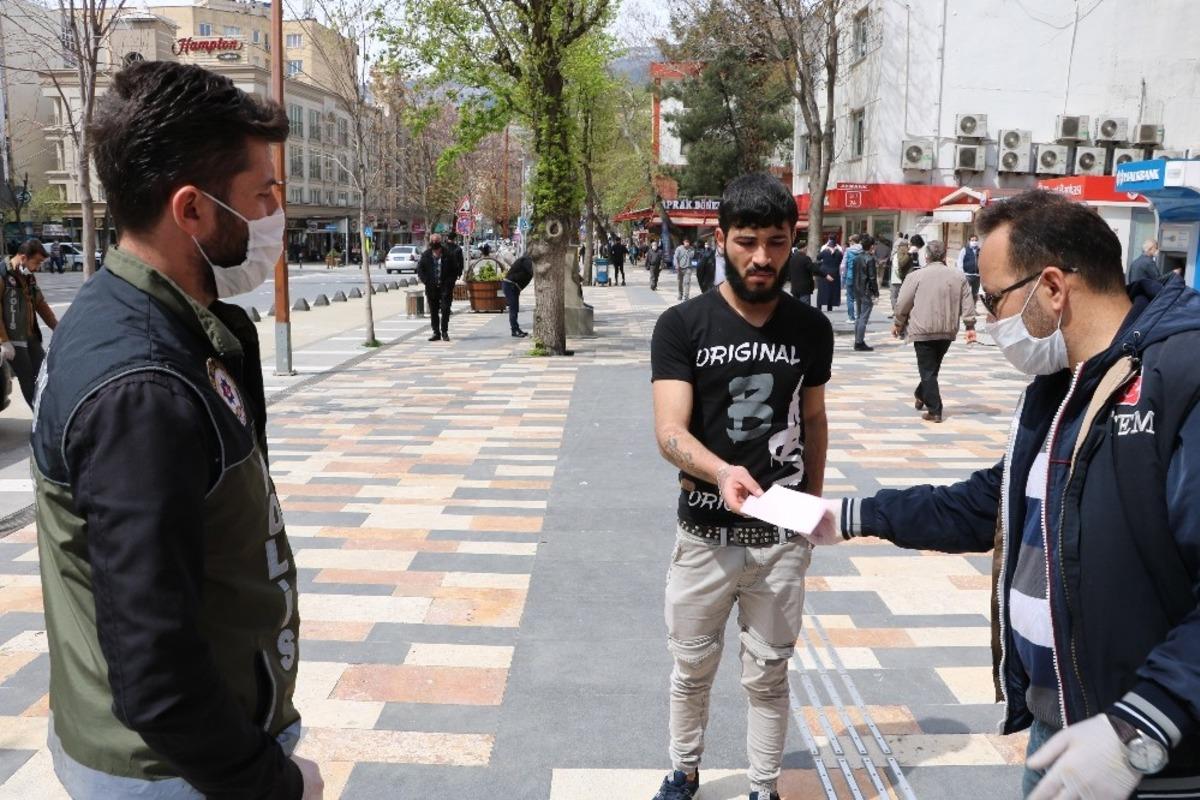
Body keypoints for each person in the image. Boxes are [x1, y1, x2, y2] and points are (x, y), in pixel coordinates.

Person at [813, 189, 1200, 800]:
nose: (991, 320)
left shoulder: (1179, 377)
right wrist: (850, 514)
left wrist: (1143, 725)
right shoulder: (1061, 385)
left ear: (1051, 287)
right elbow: (991, 503)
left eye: (994, 300)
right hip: (1064, 724)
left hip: (1151, 749)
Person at [32, 61, 321, 799]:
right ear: (190, 210)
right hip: (175, 775)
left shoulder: (160, 322)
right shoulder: (141, 386)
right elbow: (154, 668)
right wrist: (272, 784)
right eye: (263, 196)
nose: (274, 217)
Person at [649, 172, 833, 800]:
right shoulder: (682, 326)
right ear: (720, 238)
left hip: (779, 541)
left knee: (769, 674)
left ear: (792, 243)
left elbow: (812, 419)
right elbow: (669, 431)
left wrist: (809, 508)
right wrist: (722, 471)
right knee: (692, 667)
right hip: (703, 536)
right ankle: (685, 770)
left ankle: (762, 787)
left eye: (776, 242)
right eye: (747, 241)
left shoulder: (811, 329)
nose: (761, 257)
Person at [891, 239, 976, 422]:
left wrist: (898, 323)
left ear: (926, 256)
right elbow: (968, 303)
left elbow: (902, 303)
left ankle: (935, 410)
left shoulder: (915, 276)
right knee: (931, 369)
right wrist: (970, 326)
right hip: (947, 330)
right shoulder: (958, 276)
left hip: (923, 329)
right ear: (944, 256)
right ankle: (921, 393)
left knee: (928, 371)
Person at [0, 239, 58, 405]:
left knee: (44, 374)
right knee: (27, 380)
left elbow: (40, 303)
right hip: (13, 340)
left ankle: (47, 415)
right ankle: (40, 422)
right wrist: (4, 340)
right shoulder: (2, 274)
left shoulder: (28, 277)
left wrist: (58, 328)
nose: (38, 267)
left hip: (30, 336)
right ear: (23, 257)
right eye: (37, 262)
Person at [418, 233, 460, 341]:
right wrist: (426, 281)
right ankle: (436, 332)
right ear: (430, 241)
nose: (435, 243)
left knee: (445, 309)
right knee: (433, 311)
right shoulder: (426, 255)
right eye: (433, 241)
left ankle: (444, 331)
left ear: (440, 241)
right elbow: (420, 270)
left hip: (445, 288)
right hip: (431, 288)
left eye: (437, 241)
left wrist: (450, 283)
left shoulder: (448, 254)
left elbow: (455, 270)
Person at [852, 234, 880, 352]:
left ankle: (857, 340)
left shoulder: (857, 257)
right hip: (866, 290)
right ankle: (859, 342)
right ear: (872, 246)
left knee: (859, 316)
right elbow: (872, 277)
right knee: (863, 317)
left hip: (857, 289)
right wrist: (876, 292)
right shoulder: (870, 259)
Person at [502, 251, 532, 338]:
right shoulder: (526, 260)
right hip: (510, 285)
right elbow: (533, 272)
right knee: (514, 309)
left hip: (512, 286)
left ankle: (516, 329)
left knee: (515, 308)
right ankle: (514, 330)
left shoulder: (526, 259)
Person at [784, 239, 816, 305]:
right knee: (805, 307)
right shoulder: (805, 258)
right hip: (804, 287)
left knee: (796, 307)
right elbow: (814, 269)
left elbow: (788, 271)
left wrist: (790, 279)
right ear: (803, 248)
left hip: (795, 287)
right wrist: (825, 275)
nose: (806, 249)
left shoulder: (791, 259)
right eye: (806, 248)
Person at [816, 237, 842, 311]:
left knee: (822, 290)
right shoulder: (839, 253)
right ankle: (829, 307)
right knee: (832, 290)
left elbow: (818, 257)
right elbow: (840, 260)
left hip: (824, 272)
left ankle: (819, 306)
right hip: (835, 272)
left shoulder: (825, 252)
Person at [841, 234, 863, 322]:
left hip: (850, 276)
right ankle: (860, 316)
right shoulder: (862, 251)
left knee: (850, 298)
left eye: (850, 241)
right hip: (861, 277)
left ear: (853, 241)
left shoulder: (848, 251)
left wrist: (843, 277)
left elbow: (843, 266)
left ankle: (851, 317)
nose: (849, 242)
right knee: (859, 297)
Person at [888, 233, 910, 317]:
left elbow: (897, 266)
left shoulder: (897, 255)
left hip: (896, 278)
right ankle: (901, 312)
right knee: (902, 296)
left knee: (894, 296)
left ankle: (896, 312)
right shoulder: (909, 254)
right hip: (905, 279)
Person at [957, 232, 982, 304]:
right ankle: (965, 309)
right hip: (967, 275)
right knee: (966, 293)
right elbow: (960, 262)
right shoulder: (964, 250)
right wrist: (962, 274)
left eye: (975, 240)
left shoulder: (980, 250)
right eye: (972, 240)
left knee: (975, 294)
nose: (974, 242)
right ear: (969, 241)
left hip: (977, 276)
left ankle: (973, 309)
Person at [674, 237, 694, 301]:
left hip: (688, 268)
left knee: (687, 282)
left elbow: (691, 256)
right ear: (683, 242)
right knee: (680, 282)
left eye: (688, 242)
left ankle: (686, 296)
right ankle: (680, 295)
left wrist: (688, 250)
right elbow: (675, 257)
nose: (687, 243)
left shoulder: (691, 249)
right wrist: (676, 265)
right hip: (680, 268)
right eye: (686, 242)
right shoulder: (679, 249)